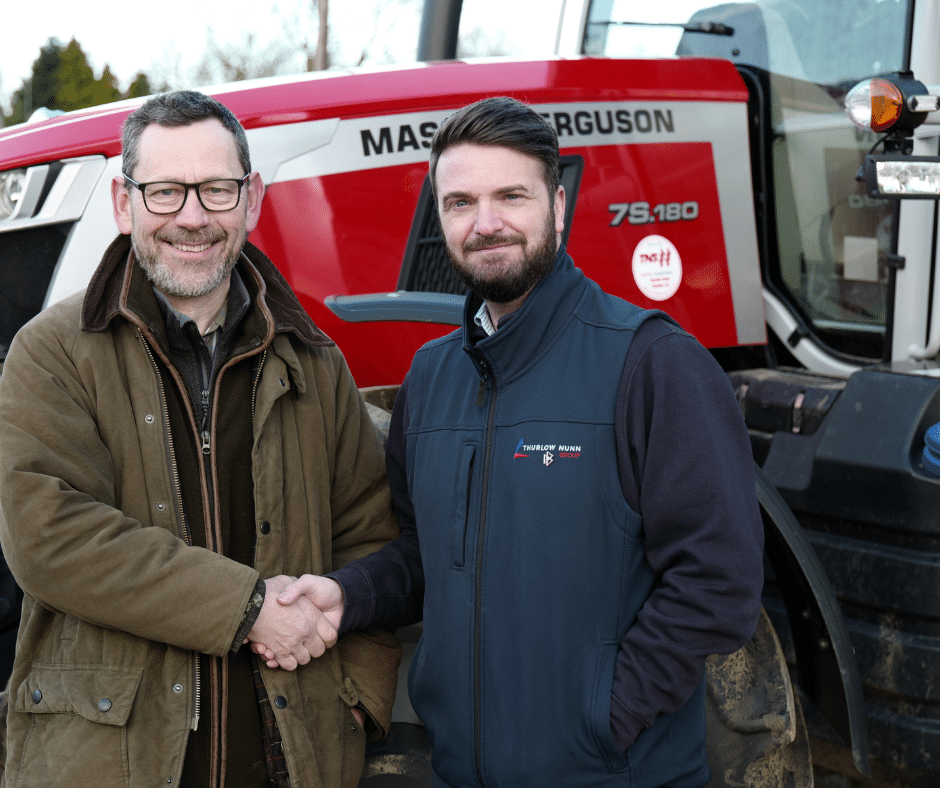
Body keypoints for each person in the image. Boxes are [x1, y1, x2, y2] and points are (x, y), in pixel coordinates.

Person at [265, 96, 765, 787]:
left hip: (612, 775)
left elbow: (720, 580)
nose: (486, 223)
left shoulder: (652, 364)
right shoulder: (432, 375)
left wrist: (604, 718)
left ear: (558, 207)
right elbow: (423, 556)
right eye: (461, 202)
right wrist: (344, 596)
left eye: (511, 196)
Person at [0, 90, 401, 788]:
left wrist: (357, 703)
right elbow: (48, 535)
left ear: (252, 199)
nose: (192, 217)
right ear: (124, 204)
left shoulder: (316, 363)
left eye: (215, 190)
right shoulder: (53, 352)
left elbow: (371, 539)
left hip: (290, 761)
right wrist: (248, 611)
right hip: (107, 763)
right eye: (165, 192)